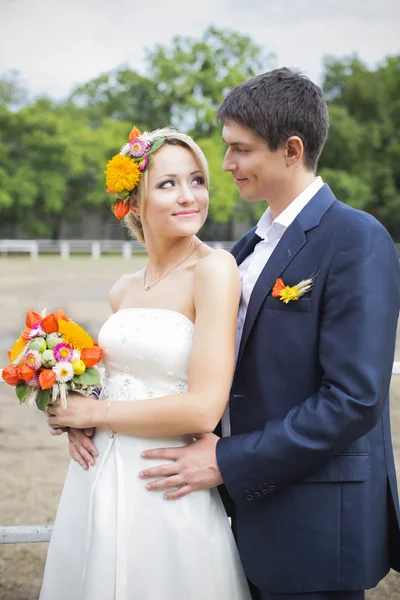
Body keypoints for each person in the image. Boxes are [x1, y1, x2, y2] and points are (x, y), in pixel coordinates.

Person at [56, 69, 400, 599]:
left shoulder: (356, 239)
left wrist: (228, 459)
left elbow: (355, 399)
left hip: (314, 520)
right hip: (234, 508)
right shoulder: (242, 250)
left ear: (291, 150)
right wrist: (93, 414)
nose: (225, 166)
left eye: (238, 150)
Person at [41, 126, 252, 600]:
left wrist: (98, 414)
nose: (189, 197)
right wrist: (75, 408)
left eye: (197, 180)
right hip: (96, 477)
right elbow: (124, 377)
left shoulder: (215, 270)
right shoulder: (124, 288)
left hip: (166, 477)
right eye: (168, 184)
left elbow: (202, 409)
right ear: (133, 202)